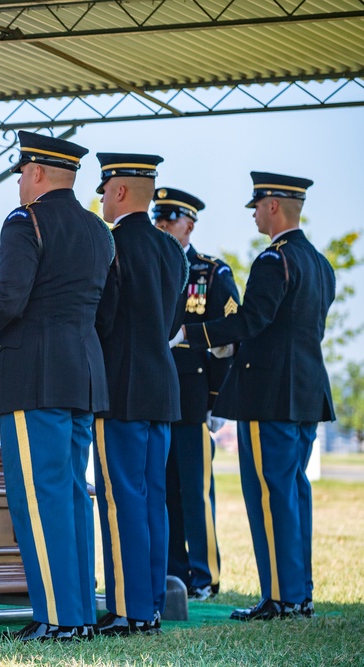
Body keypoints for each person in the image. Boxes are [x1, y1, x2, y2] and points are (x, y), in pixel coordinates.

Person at [0, 131, 114, 641]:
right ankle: (74, 614)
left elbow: (8, 300)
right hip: (81, 373)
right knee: (73, 495)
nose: (18, 183)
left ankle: (57, 618)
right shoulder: (99, 230)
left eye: (20, 174)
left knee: (39, 497)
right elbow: (105, 310)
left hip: (36, 375)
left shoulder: (24, 221)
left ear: (35, 173)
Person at [177, 172, 335, 621]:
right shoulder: (320, 262)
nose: (253, 212)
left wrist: (190, 333)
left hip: (270, 396)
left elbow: (251, 321)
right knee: (292, 494)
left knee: (271, 496)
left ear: (274, 207)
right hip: (304, 394)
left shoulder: (273, 260)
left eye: (257, 204)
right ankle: (297, 593)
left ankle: (280, 597)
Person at [92, 152, 188, 636]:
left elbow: (102, 318)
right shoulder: (173, 250)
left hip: (122, 388)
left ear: (122, 191)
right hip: (161, 386)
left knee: (121, 499)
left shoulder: (111, 246)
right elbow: (174, 321)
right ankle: (148, 603)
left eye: (105, 189)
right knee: (152, 499)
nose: (102, 197)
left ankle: (129, 608)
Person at [154, 187, 240, 602]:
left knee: (194, 491)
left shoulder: (210, 273)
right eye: (159, 218)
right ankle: (173, 575)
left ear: (190, 224)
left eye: (171, 219)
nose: (163, 226)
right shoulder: (151, 264)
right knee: (164, 491)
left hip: (193, 400)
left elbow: (228, 341)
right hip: (154, 396)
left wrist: (217, 400)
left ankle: (204, 576)